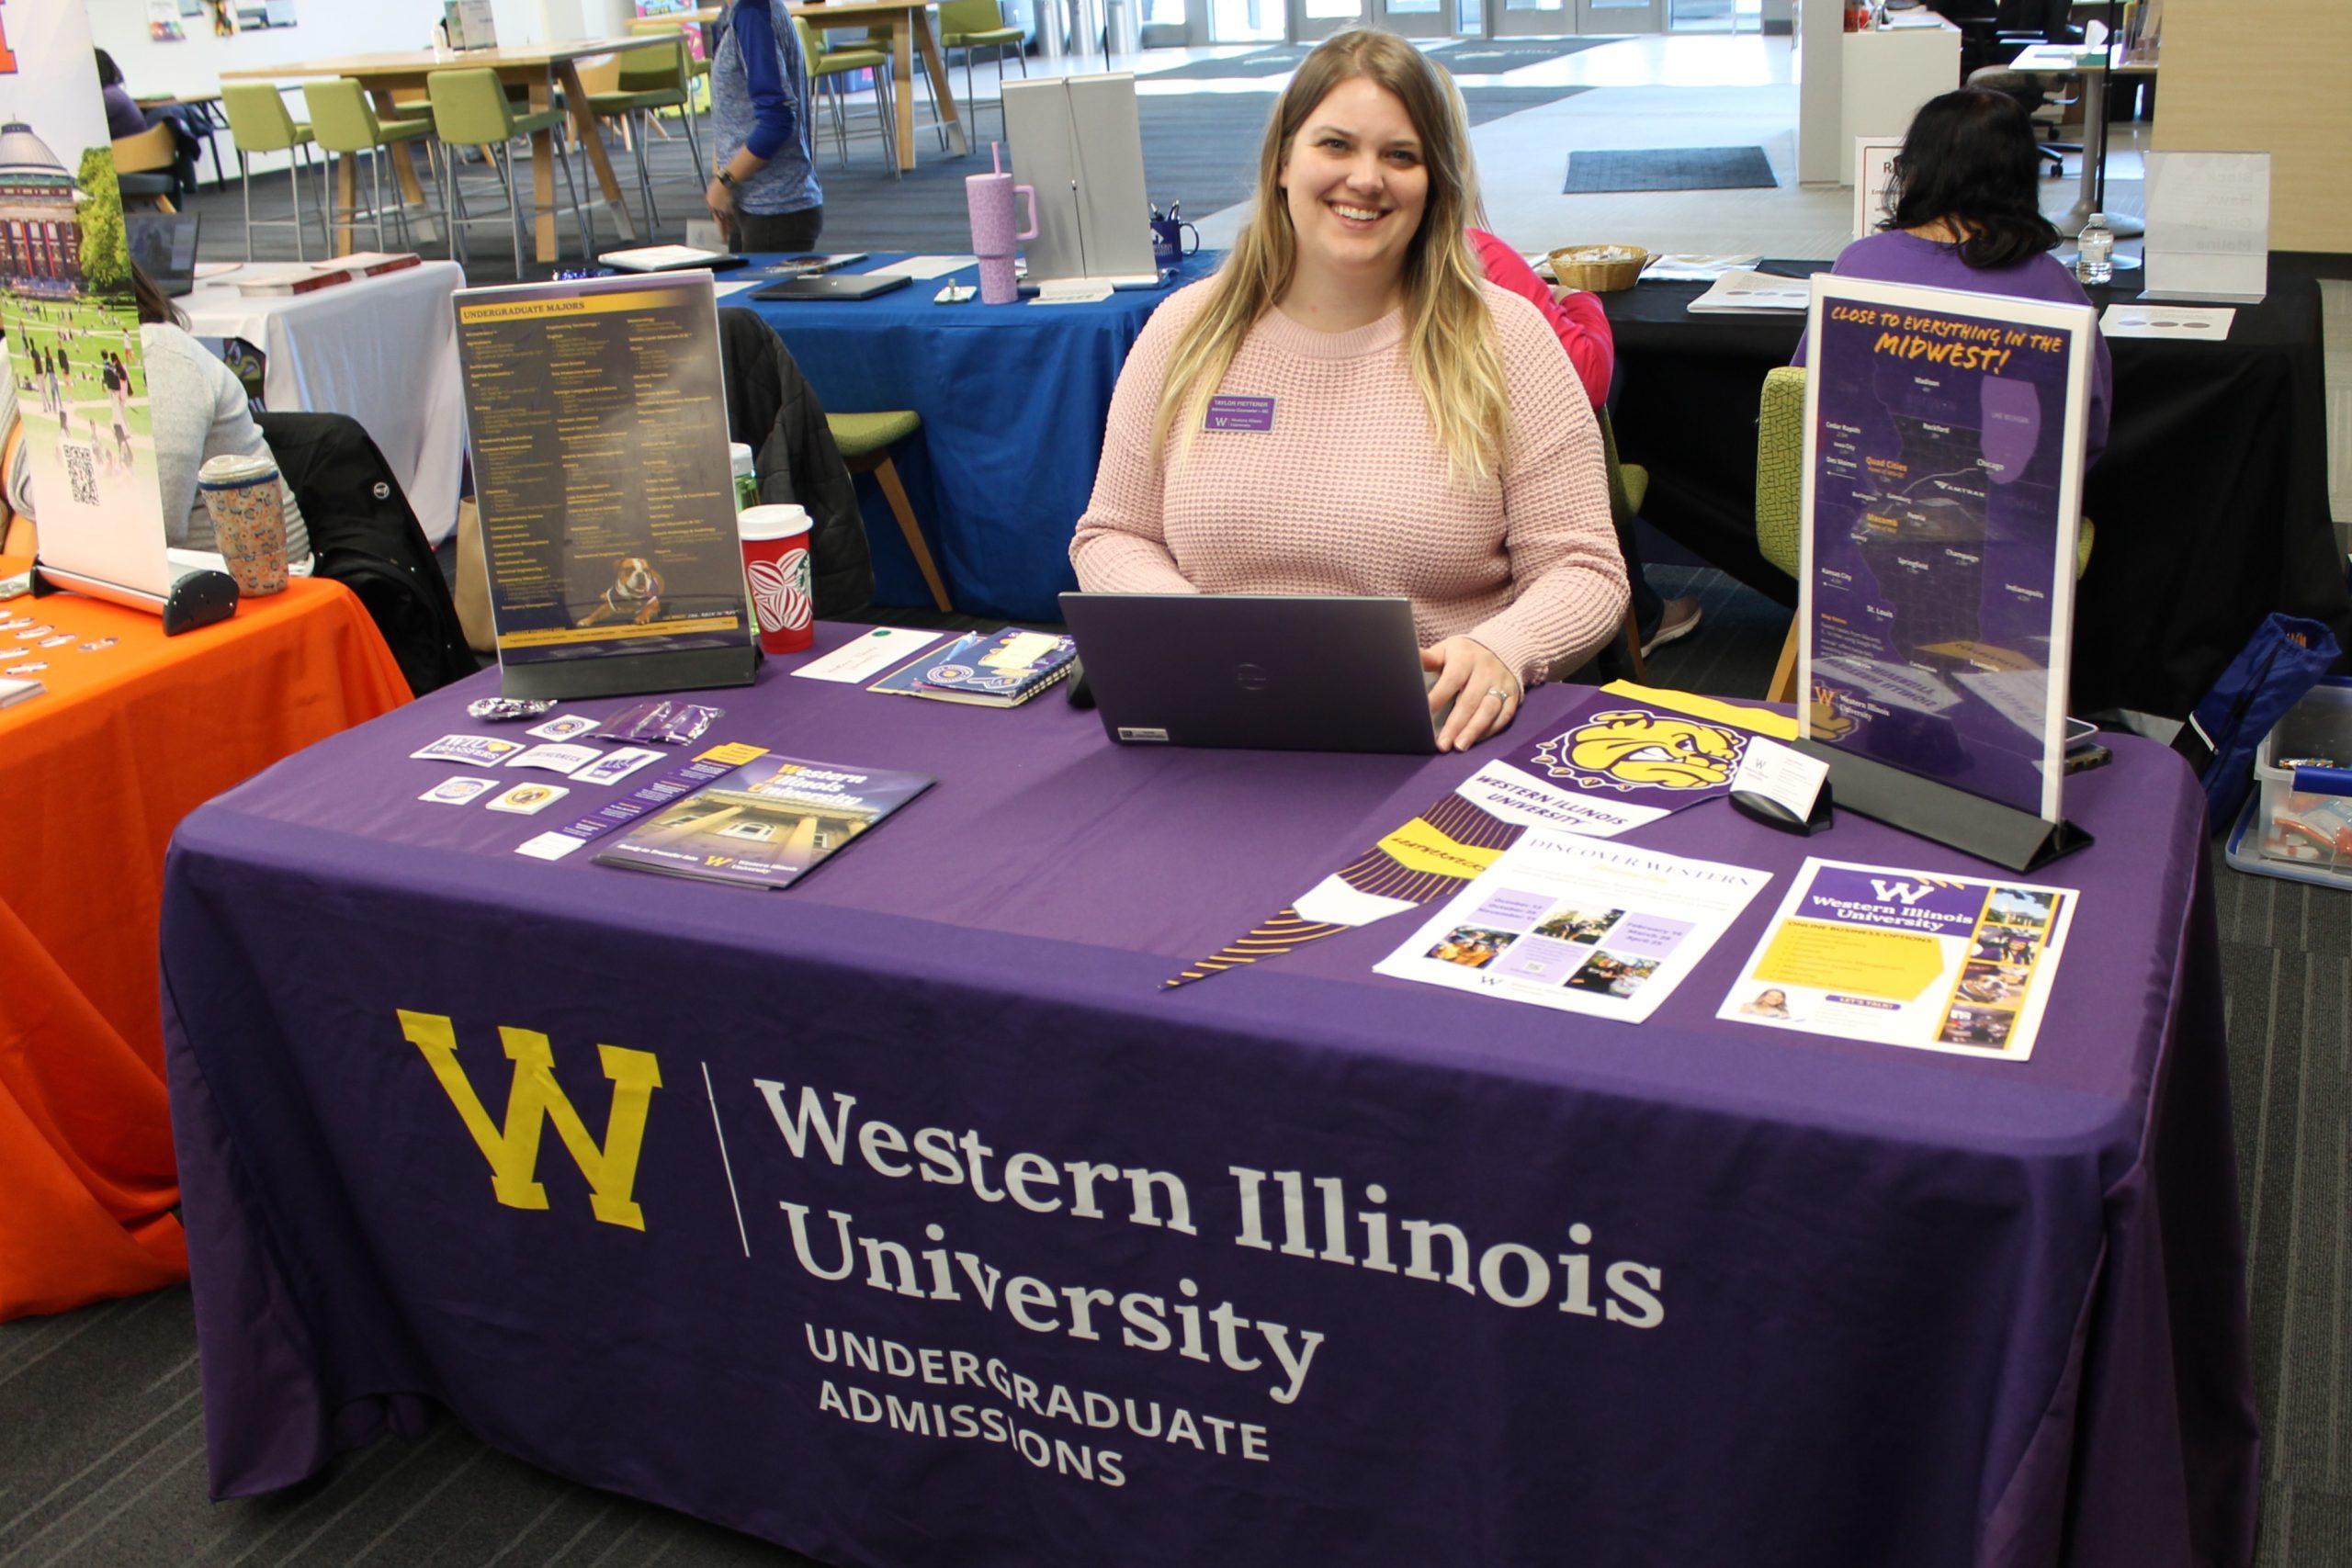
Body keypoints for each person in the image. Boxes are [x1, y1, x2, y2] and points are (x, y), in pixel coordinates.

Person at [1070, 30, 1628, 752]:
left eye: (1401, 155)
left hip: (1437, 737)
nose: (1366, 179)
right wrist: (1190, 631)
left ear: (1435, 183)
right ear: (1281, 162)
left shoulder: (1506, 338)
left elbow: (1584, 569)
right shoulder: (1187, 328)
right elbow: (1114, 533)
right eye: (1335, 145)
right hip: (1215, 727)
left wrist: (1505, 649)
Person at [1793, 87, 2112, 466]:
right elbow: (2088, 431)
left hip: (1866, 503)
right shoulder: (2053, 285)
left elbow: (1802, 393)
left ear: (1916, 169)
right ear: (2022, 176)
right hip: (2010, 513)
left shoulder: (1859, 266)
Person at [1, 265, 308, 565]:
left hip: (235, 591)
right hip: (93, 583)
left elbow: (149, 527)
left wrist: (15, 482)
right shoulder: (16, 355)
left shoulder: (160, 358)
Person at [705, 0, 823, 252]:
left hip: (775, 209)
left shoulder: (753, 15)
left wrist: (725, 181)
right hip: (747, 200)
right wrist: (723, 179)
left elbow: (777, 120)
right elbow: (731, 112)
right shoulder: (734, 14)